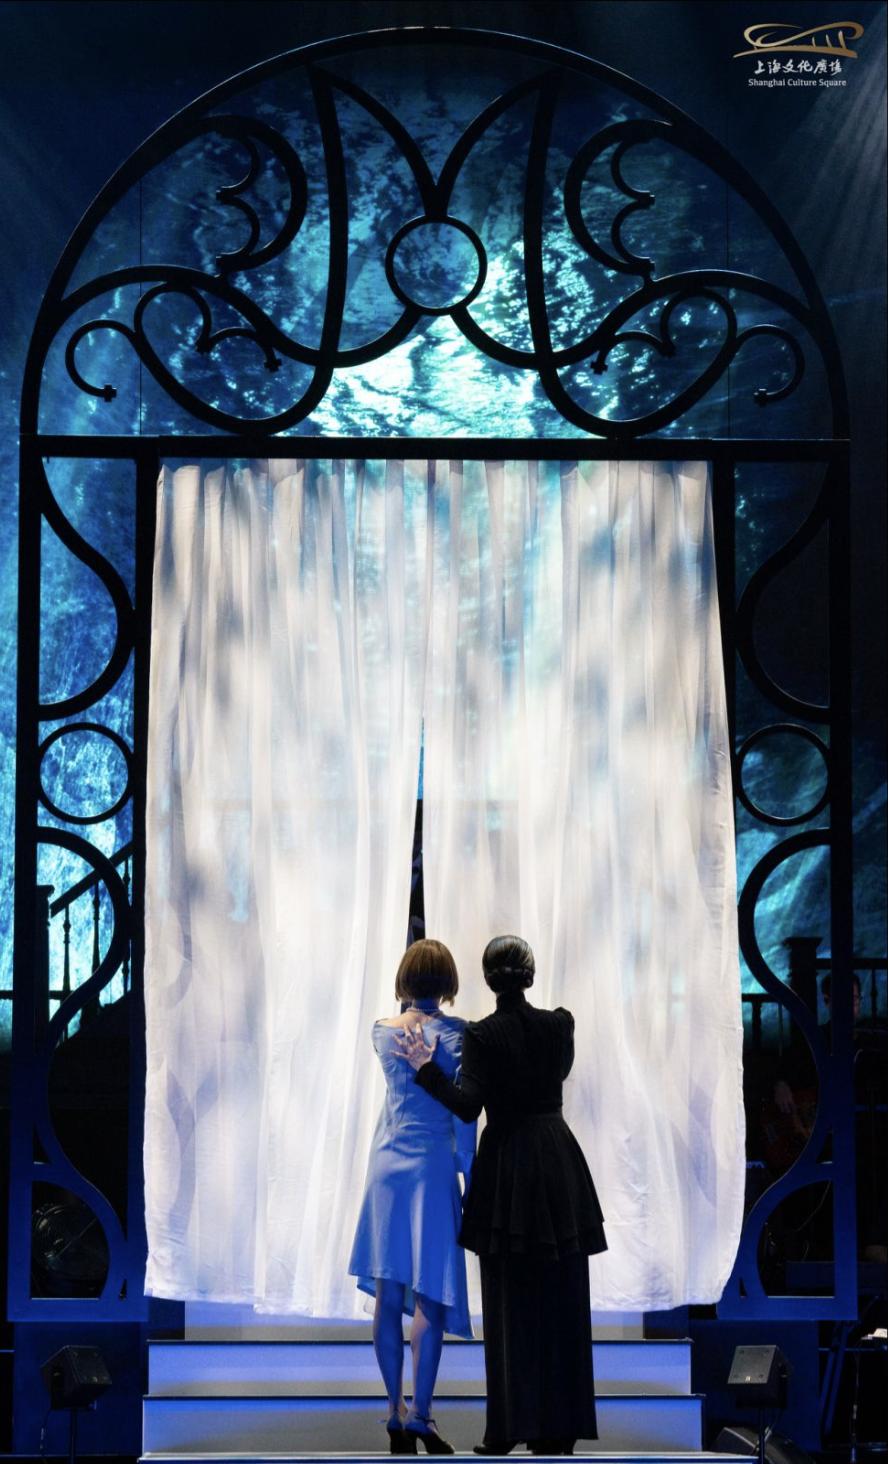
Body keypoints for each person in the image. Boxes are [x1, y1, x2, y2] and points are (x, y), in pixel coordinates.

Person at [399, 935, 607, 1456]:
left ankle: (508, 1427)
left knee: (510, 1304)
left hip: (510, 1168)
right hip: (558, 1163)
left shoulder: (483, 1035)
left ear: (489, 980)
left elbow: (468, 1106)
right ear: (529, 976)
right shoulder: (560, 1025)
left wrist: (426, 1071)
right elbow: (552, 1076)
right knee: (563, 1300)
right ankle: (559, 1429)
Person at [348, 939, 476, 1455]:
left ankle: (393, 1410)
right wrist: (470, 1175)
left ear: (405, 978)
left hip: (387, 1167)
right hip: (432, 1168)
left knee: (388, 1291)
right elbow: (464, 1115)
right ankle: (422, 1414)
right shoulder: (460, 1034)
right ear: (447, 981)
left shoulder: (382, 1031)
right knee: (430, 1294)